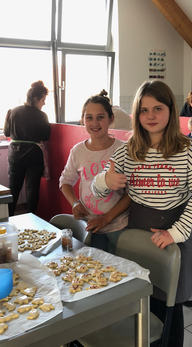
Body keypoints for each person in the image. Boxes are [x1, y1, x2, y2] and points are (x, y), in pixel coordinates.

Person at [91, 80, 192, 347]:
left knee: (171, 305)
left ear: (170, 110)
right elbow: (97, 189)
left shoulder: (187, 149)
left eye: (158, 108)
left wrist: (175, 233)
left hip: (174, 232)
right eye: (144, 110)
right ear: (137, 115)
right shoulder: (128, 149)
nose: (151, 116)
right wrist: (105, 182)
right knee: (141, 297)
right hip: (138, 231)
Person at [59, 91, 130, 253]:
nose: (94, 123)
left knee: (118, 271)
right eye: (89, 117)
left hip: (118, 227)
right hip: (89, 226)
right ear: (82, 120)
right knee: (94, 272)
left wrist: (106, 218)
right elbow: (65, 181)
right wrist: (75, 203)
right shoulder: (78, 151)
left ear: (111, 119)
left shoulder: (124, 149)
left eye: (100, 117)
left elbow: (131, 194)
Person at [4, 81, 51, 216]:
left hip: (14, 153)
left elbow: (7, 133)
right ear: (36, 99)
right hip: (33, 154)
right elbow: (46, 136)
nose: (44, 103)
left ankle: (9, 217)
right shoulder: (42, 116)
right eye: (43, 100)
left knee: (13, 187)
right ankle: (32, 217)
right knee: (32, 188)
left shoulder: (12, 112)